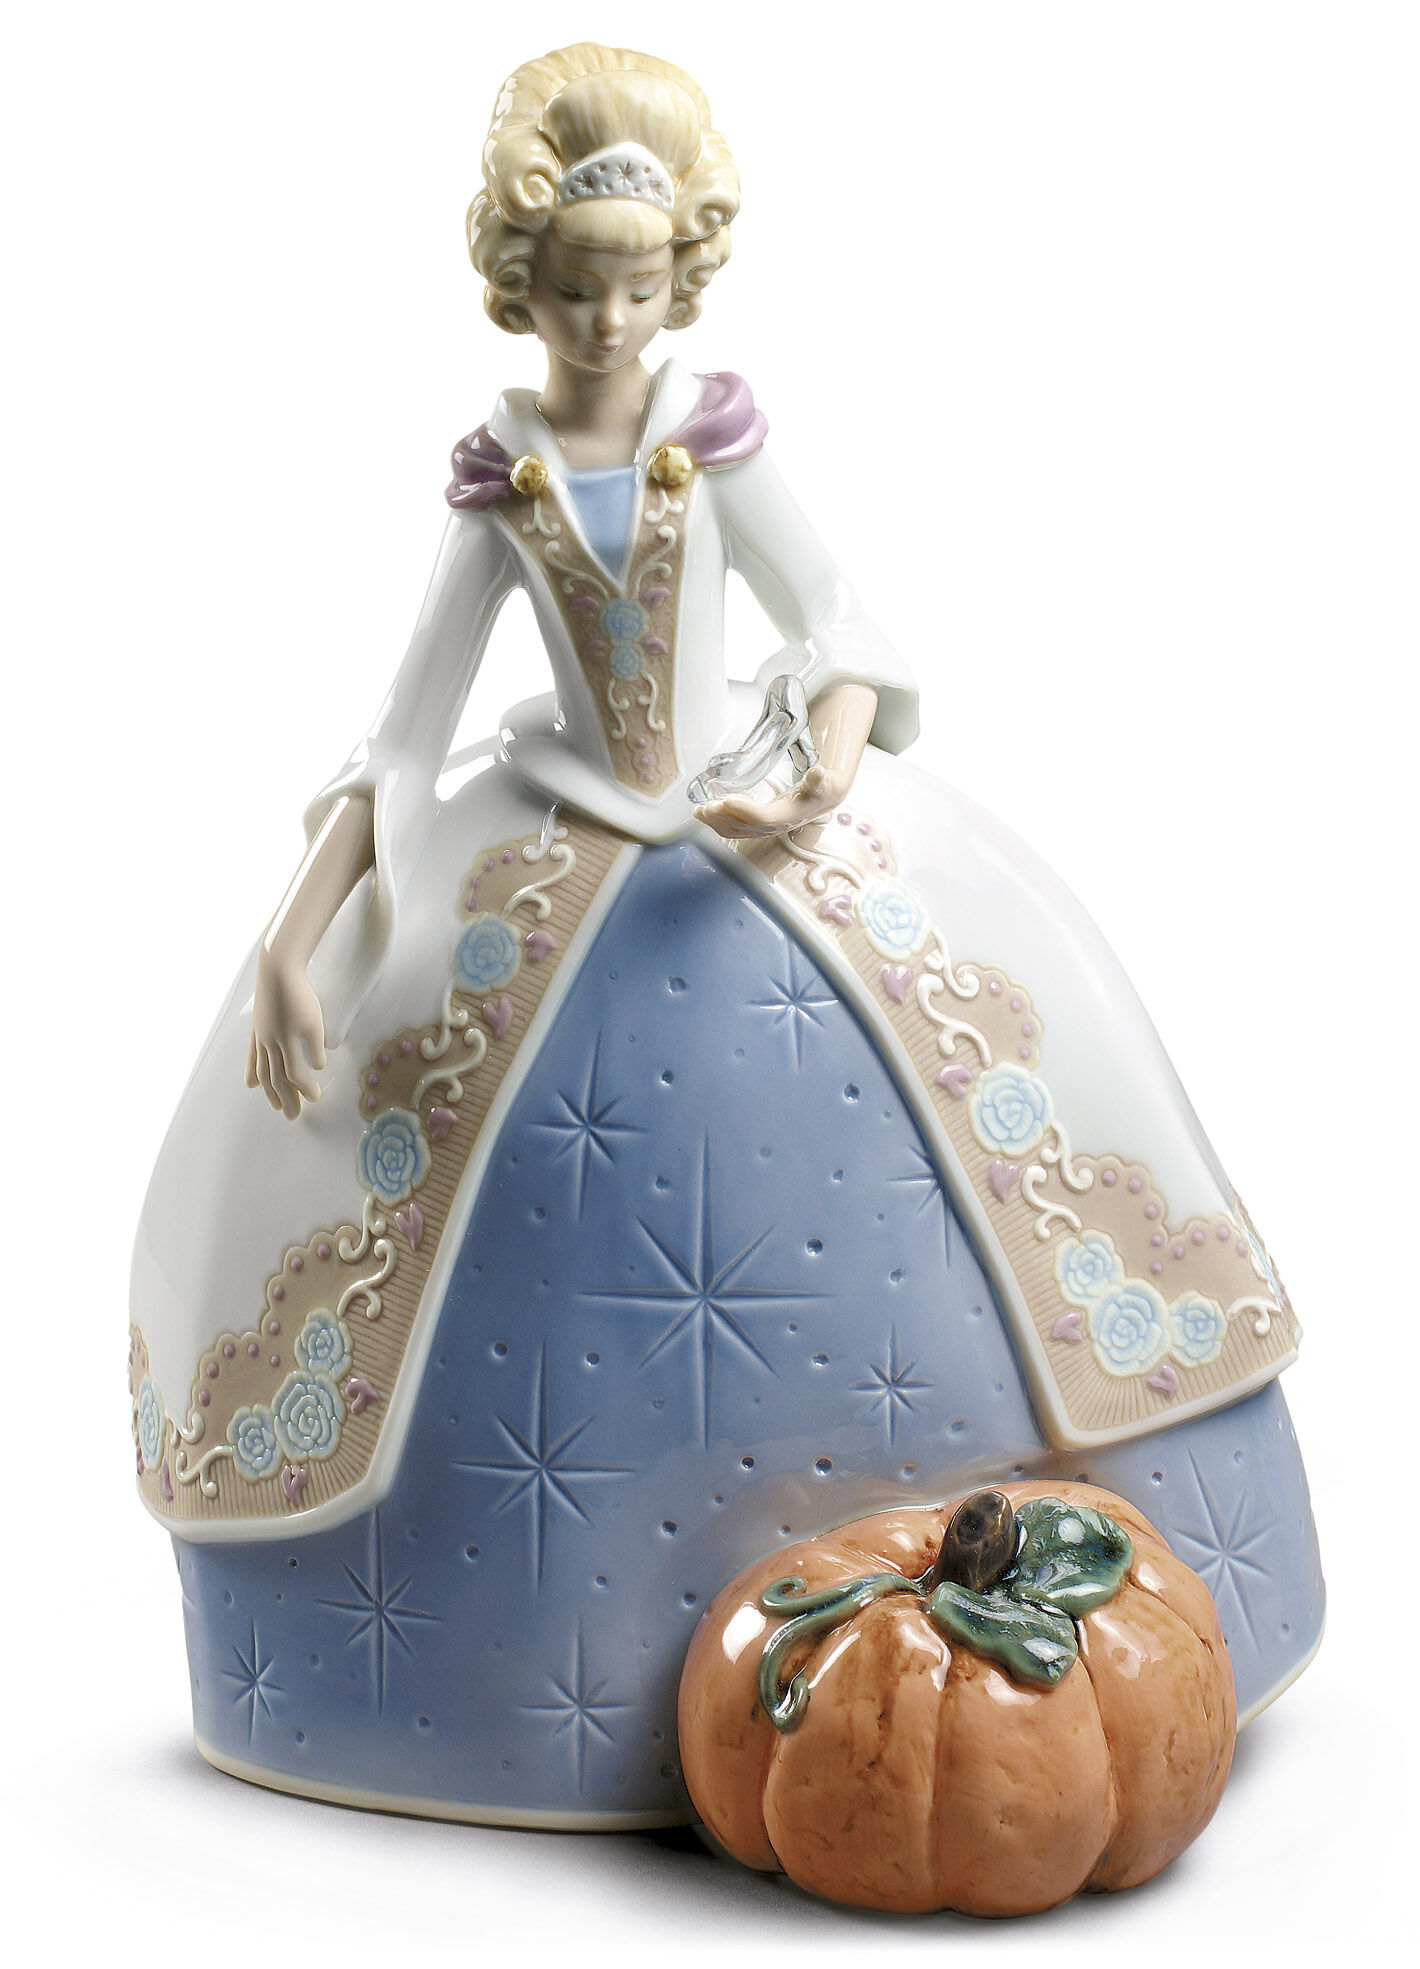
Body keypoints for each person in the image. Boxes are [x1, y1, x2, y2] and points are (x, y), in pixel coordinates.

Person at [131, 42, 1321, 1826]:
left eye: (633, 287)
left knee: (1003, 1115)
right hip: (552, 850)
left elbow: (838, 625)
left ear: (678, 277)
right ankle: (498, 1694)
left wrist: (821, 770)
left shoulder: (715, 440)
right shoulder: (499, 481)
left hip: (753, 829)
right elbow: (403, 735)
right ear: (520, 286)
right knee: (419, 1204)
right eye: (572, 289)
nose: (606, 320)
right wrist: (305, 935)